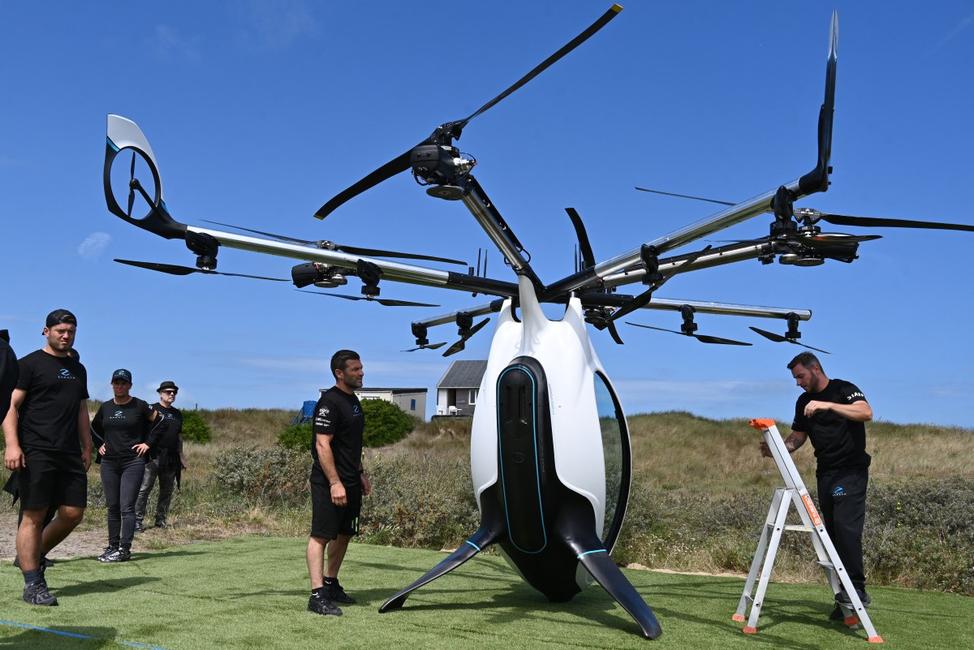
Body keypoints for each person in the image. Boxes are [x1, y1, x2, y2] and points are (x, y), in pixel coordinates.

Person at [761, 351, 874, 618]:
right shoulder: (803, 401)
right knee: (832, 535)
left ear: (815, 369)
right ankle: (844, 602)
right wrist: (777, 449)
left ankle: (857, 590)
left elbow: (866, 412)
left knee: (847, 529)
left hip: (851, 471)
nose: (798, 382)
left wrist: (828, 406)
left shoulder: (843, 389)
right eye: (795, 378)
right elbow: (798, 437)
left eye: (800, 376)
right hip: (826, 473)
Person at [3, 309, 93, 606]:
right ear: (46, 331)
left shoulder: (78, 369)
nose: (66, 335)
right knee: (34, 515)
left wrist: (87, 445)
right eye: (60, 331)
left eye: (70, 331)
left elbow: (81, 410)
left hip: (69, 452)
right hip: (37, 450)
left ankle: (31, 554)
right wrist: (12, 445)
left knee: (72, 513)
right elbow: (10, 407)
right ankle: (33, 583)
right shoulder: (27, 364)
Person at [306, 349, 372, 617]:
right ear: (339, 373)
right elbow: (323, 444)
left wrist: (360, 473)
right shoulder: (329, 403)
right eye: (355, 369)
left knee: (345, 534)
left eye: (361, 368)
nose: (361, 373)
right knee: (321, 535)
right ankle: (317, 594)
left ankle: (331, 583)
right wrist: (334, 482)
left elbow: (351, 444)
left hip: (351, 480)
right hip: (328, 482)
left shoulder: (353, 401)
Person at [90, 369, 162, 563]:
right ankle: (112, 546)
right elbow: (92, 428)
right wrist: (99, 445)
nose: (119, 386)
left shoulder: (139, 405)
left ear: (130, 385)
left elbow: (160, 422)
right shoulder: (105, 408)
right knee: (112, 506)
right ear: (112, 384)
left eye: (123, 383)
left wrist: (148, 444)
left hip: (133, 461)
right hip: (109, 462)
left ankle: (124, 549)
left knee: (126, 506)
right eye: (116, 382)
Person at [134, 380, 185, 531]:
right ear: (160, 393)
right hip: (152, 456)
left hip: (171, 458)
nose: (172, 394)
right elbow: (140, 430)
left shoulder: (177, 414)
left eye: (174, 392)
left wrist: (182, 456)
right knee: (144, 489)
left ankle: (160, 521)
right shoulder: (152, 409)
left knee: (167, 491)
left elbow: (179, 436)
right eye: (168, 392)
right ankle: (137, 522)